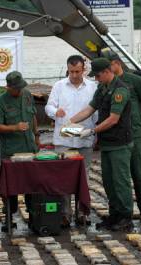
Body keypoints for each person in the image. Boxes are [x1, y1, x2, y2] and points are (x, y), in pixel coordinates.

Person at [70, 58, 134, 231]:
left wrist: (92, 131)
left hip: (119, 143)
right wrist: (69, 122)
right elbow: (90, 109)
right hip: (107, 143)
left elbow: (114, 119)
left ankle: (126, 216)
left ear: (107, 71)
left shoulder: (120, 90)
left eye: (98, 76)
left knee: (120, 181)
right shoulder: (102, 88)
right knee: (108, 182)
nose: (96, 79)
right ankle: (115, 215)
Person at [45, 55, 96, 227]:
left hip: (84, 137)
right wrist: (54, 112)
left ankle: (83, 213)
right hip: (64, 138)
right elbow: (48, 106)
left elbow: (96, 112)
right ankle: (65, 214)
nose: (74, 75)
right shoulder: (59, 86)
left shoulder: (92, 86)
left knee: (85, 177)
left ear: (84, 70)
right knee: (63, 178)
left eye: (77, 71)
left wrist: (95, 133)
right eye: (71, 71)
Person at [102, 50, 141, 223]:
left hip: (135, 133)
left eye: (108, 65)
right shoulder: (105, 84)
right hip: (117, 135)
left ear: (117, 63)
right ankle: (118, 211)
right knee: (117, 176)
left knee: (138, 172)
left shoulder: (135, 80)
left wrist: (138, 119)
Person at [0, 71, 40, 231]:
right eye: (16, 88)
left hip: (29, 148)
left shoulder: (27, 95)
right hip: (11, 152)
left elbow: (33, 116)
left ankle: (34, 215)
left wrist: (37, 136)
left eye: (21, 87)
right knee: (10, 186)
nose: (19, 90)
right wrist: (15, 127)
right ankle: (9, 216)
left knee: (32, 183)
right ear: (9, 87)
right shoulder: (0, 102)